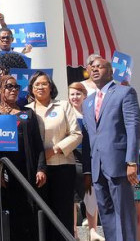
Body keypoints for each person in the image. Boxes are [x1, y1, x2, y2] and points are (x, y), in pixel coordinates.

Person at [82, 58, 140, 241]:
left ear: (111, 72)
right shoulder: (88, 101)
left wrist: (132, 161)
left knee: (123, 212)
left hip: (119, 164)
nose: (95, 69)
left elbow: (133, 127)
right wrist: (88, 169)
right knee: (106, 214)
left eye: (100, 66)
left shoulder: (125, 92)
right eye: (92, 67)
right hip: (98, 167)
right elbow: (90, 136)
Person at [0, 75, 47, 240]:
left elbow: (38, 145)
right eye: (9, 86)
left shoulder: (28, 113)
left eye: (17, 87)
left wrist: (41, 168)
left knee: (28, 213)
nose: (14, 90)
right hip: (3, 174)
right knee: (7, 215)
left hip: (27, 171)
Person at [26, 71, 82, 241]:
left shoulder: (64, 106)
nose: (41, 87)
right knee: (40, 213)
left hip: (62, 167)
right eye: (37, 84)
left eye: (44, 83)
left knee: (62, 214)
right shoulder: (26, 111)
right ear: (31, 89)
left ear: (51, 87)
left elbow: (76, 134)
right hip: (37, 170)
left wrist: (55, 149)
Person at [68, 82, 105, 241]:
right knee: (72, 197)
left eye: (78, 94)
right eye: (72, 94)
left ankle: (92, 230)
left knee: (91, 194)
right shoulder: (66, 112)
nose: (75, 97)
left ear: (84, 96)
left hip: (90, 158)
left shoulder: (92, 113)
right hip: (72, 157)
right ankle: (74, 231)